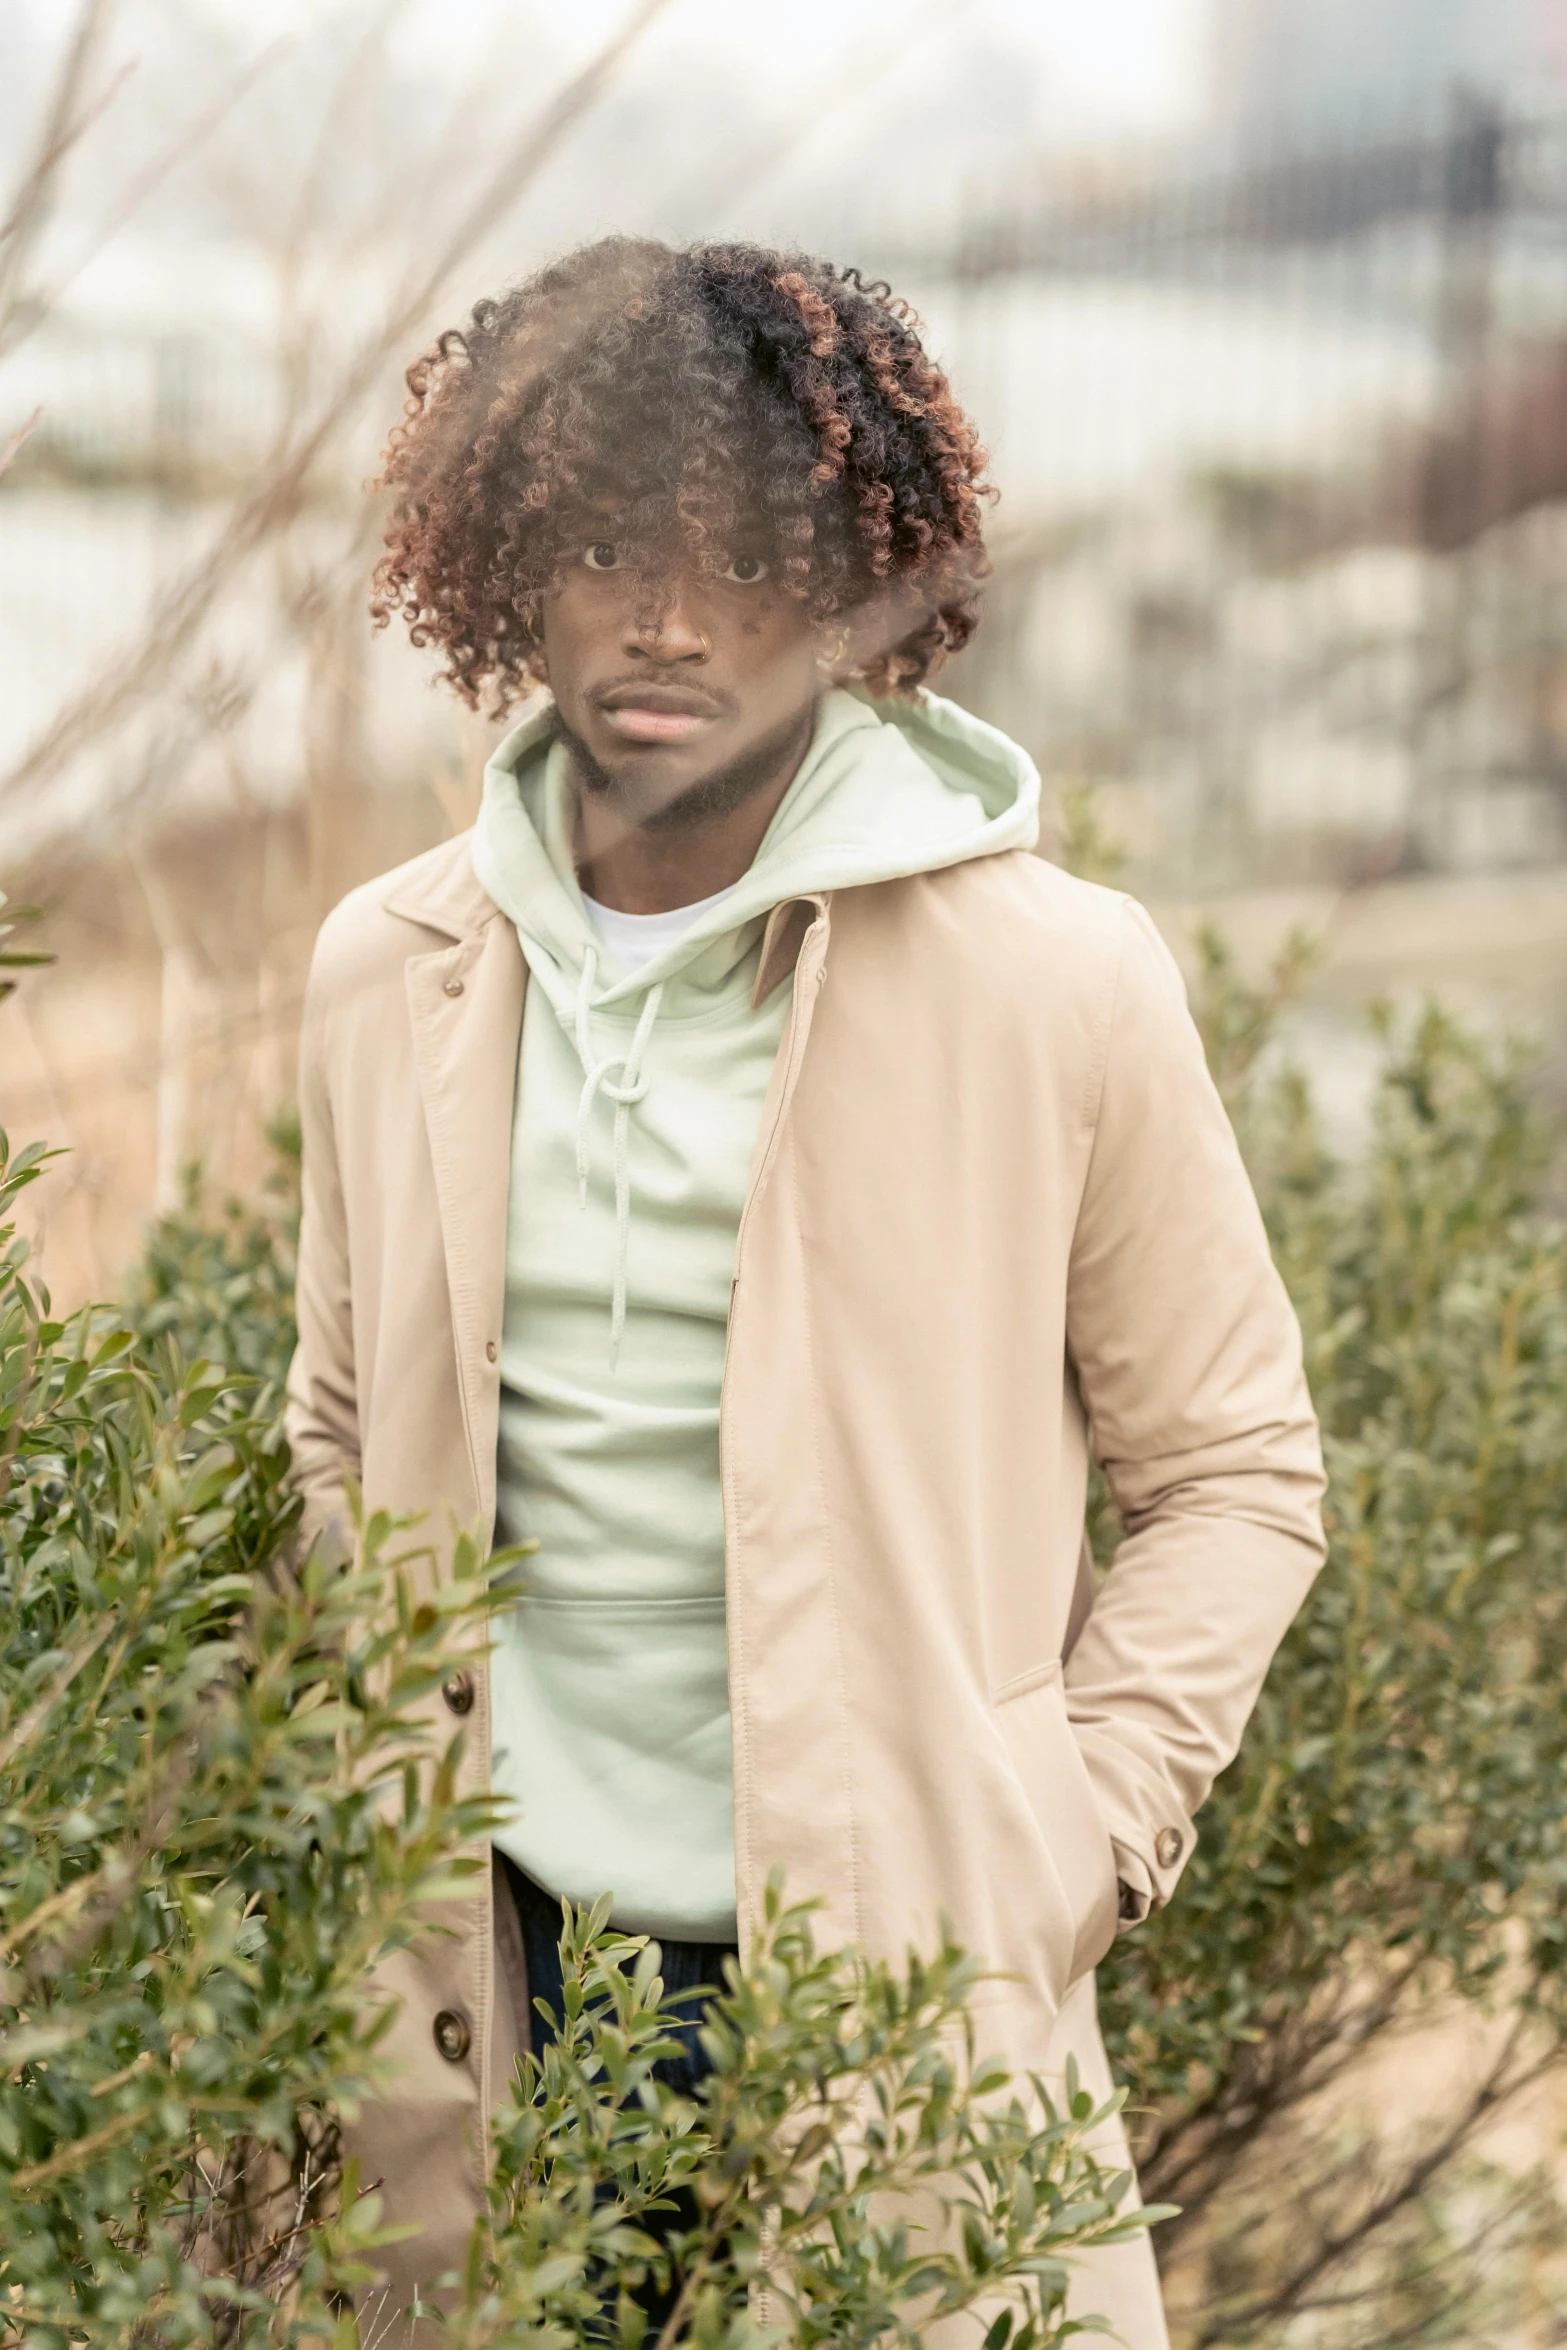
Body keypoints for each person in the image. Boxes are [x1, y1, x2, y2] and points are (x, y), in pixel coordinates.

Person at [286, 235, 1326, 2347]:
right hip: (484, 2008)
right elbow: (335, 1423)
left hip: (895, 2011)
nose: (666, 619)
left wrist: (1076, 1830)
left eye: (745, 555)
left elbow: (1235, 1468)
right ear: (502, 565)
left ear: (861, 586)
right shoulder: (380, 971)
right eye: (598, 545)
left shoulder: (1060, 979)